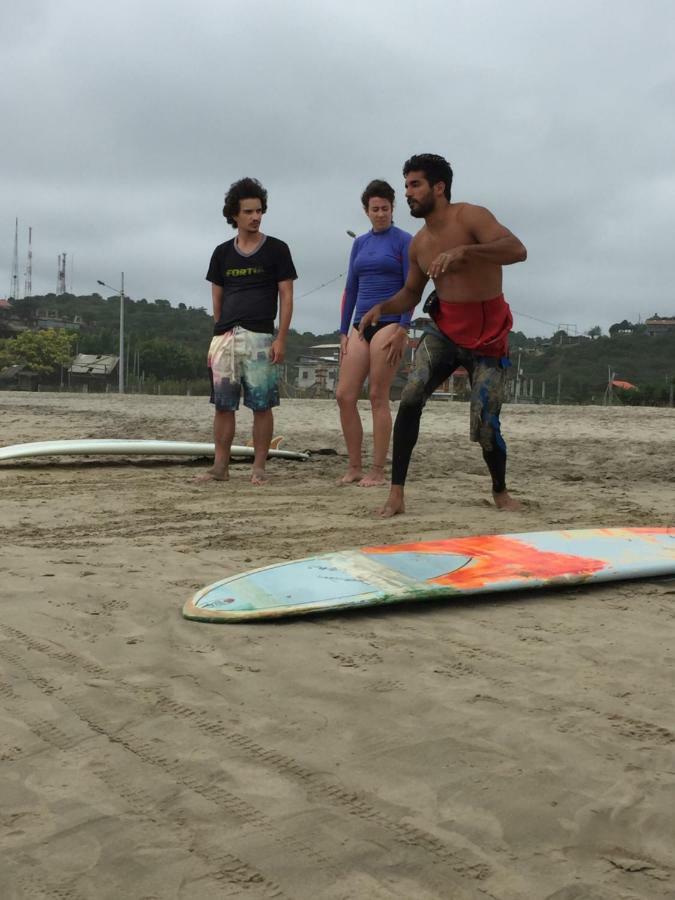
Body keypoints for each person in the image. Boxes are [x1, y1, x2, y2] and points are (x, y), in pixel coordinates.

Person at [358, 153, 527, 516]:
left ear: (439, 187)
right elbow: (411, 294)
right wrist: (382, 307)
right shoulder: (418, 243)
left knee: (484, 422)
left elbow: (517, 250)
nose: (408, 193)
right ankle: (396, 493)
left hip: (488, 335)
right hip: (444, 330)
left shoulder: (471, 217)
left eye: (415, 185)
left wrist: (466, 250)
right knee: (411, 396)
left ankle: (500, 490)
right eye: (406, 186)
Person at [197, 177, 296, 486]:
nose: (255, 217)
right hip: (225, 337)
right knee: (224, 406)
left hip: (261, 337)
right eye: (249, 211)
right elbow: (217, 297)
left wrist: (281, 337)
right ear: (235, 215)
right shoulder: (222, 253)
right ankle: (220, 467)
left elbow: (286, 295)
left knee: (262, 405)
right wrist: (219, 335)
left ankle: (259, 468)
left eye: (259, 211)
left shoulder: (277, 249)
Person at [336, 179, 413, 486]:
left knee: (378, 395)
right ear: (366, 211)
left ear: (393, 209)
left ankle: (378, 470)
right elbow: (351, 288)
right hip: (359, 325)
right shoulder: (360, 243)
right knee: (344, 395)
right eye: (375, 209)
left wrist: (404, 328)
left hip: (391, 322)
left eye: (385, 208)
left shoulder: (404, 241)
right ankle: (354, 466)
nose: (380, 214)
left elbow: (412, 288)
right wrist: (343, 331)